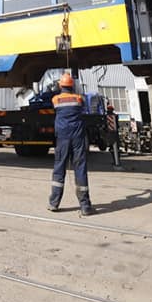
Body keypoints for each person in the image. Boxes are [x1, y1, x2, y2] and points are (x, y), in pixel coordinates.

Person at [48, 73, 94, 216]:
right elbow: (83, 105)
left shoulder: (55, 99)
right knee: (80, 168)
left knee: (59, 168)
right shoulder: (78, 98)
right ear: (72, 85)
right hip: (78, 138)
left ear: (60, 85)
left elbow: (56, 106)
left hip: (63, 138)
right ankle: (85, 206)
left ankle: (54, 203)